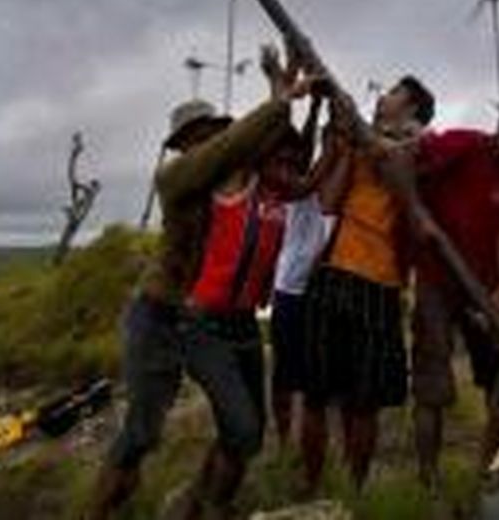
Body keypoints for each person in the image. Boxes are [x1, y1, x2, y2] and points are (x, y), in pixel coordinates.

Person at [86, 44, 318, 520]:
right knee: (143, 432)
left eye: (211, 134)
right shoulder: (176, 177)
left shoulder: (238, 178)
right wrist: (279, 101)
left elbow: (275, 151)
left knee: (243, 429)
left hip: (214, 316)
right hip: (159, 314)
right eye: (196, 137)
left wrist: (285, 94)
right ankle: (99, 510)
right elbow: (239, 145)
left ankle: (200, 505)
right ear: (183, 144)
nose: (205, 144)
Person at [410, 90, 499, 489]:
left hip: (487, 294)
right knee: (432, 384)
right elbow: (403, 168)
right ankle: (429, 479)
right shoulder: (463, 146)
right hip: (437, 282)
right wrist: (418, 214)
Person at [300, 76, 436, 492]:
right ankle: (310, 484)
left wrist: (369, 139)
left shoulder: (421, 146)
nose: (382, 96)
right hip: (335, 270)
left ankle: (354, 489)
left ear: (411, 109)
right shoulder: (363, 140)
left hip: (381, 283)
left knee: (364, 402)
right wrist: (345, 147)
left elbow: (397, 168)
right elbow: (327, 201)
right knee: (317, 393)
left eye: (394, 93)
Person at [268, 90, 334, 447]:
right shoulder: (282, 182)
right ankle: (281, 440)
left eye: (295, 154)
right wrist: (332, 146)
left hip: (316, 291)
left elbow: (305, 147)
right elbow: (308, 174)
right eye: (286, 155)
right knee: (284, 374)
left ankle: (307, 441)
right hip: (290, 291)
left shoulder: (302, 168)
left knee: (313, 379)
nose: (293, 158)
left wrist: (315, 106)